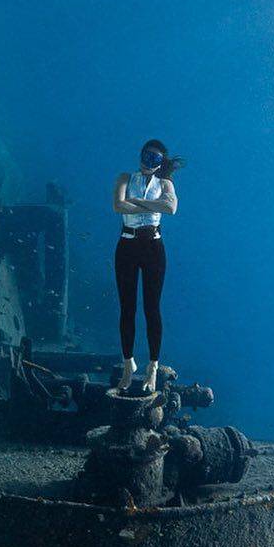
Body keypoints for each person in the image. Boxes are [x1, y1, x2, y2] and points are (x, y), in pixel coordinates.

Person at [112, 139, 182, 393]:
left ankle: (152, 366)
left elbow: (171, 208)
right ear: (140, 154)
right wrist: (154, 205)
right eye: (146, 155)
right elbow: (118, 205)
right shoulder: (124, 177)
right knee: (126, 307)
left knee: (152, 308)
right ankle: (128, 363)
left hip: (153, 247)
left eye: (155, 159)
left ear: (161, 164)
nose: (147, 162)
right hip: (127, 245)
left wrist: (138, 202)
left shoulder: (166, 183)